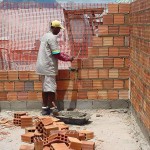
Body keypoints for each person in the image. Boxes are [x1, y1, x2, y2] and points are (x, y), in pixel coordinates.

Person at [36, 20, 74, 115]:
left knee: (45, 88)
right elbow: (56, 54)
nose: (59, 31)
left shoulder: (45, 36)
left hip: (42, 66)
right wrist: (68, 59)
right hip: (48, 67)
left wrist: (66, 55)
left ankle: (45, 108)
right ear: (55, 28)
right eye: (59, 29)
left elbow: (56, 52)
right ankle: (53, 109)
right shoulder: (52, 38)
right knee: (51, 89)